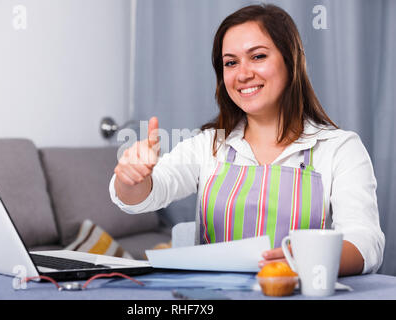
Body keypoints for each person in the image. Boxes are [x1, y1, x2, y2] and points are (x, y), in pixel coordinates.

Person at [109, 4, 385, 275]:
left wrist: (309, 261)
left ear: (291, 60)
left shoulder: (339, 148)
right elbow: (147, 194)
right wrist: (132, 178)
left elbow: (365, 243)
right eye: (231, 63)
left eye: (258, 56)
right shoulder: (208, 145)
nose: (243, 74)